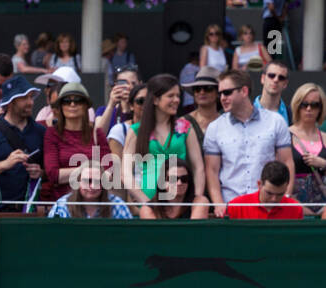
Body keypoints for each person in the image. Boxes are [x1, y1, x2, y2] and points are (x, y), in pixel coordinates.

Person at [202, 69, 293, 216]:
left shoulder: (275, 121)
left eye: (227, 92)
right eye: (220, 93)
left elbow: (287, 162)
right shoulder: (215, 128)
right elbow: (211, 171)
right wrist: (219, 204)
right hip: (231, 205)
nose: (222, 98)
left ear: (244, 91)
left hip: (268, 205)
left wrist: (285, 198)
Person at [122, 74, 207, 220]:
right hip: (150, 205)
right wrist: (146, 203)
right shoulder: (136, 130)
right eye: (170, 96)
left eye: (178, 96)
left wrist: (195, 200)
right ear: (155, 99)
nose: (176, 100)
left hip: (181, 203)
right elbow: (125, 174)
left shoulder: (185, 127)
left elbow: (198, 167)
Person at [0, 75, 47, 211]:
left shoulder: (41, 131)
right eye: (24, 98)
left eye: (31, 97)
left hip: (31, 211)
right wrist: (5, 164)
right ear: (10, 103)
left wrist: (40, 172)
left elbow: (49, 173)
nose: (30, 102)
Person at [43, 81, 110, 207]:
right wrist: (88, 170)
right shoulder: (52, 134)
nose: (72, 104)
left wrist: (69, 174)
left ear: (85, 105)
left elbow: (110, 171)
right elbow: (53, 175)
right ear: (61, 106)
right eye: (66, 101)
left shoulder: (96, 133)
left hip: (95, 204)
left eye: (78, 100)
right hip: (63, 204)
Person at [287, 82, 326, 214]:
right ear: (297, 105)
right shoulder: (285, 135)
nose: (309, 109)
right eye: (304, 104)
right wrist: (292, 203)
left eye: (315, 105)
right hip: (294, 205)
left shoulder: (325, 137)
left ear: (321, 108)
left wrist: (323, 163)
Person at [48, 162, 133, 218]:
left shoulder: (117, 205)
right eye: (87, 181)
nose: (93, 186)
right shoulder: (62, 206)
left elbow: (130, 236)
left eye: (98, 181)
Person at [227, 161, 301, 219]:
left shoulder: (295, 209)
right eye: (269, 193)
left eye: (280, 194)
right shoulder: (236, 206)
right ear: (259, 184)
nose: (274, 199)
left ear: (287, 187)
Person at [181, 67, 223, 144]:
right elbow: (170, 154)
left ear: (218, 93)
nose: (202, 92)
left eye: (208, 88)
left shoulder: (226, 123)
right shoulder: (182, 123)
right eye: (197, 88)